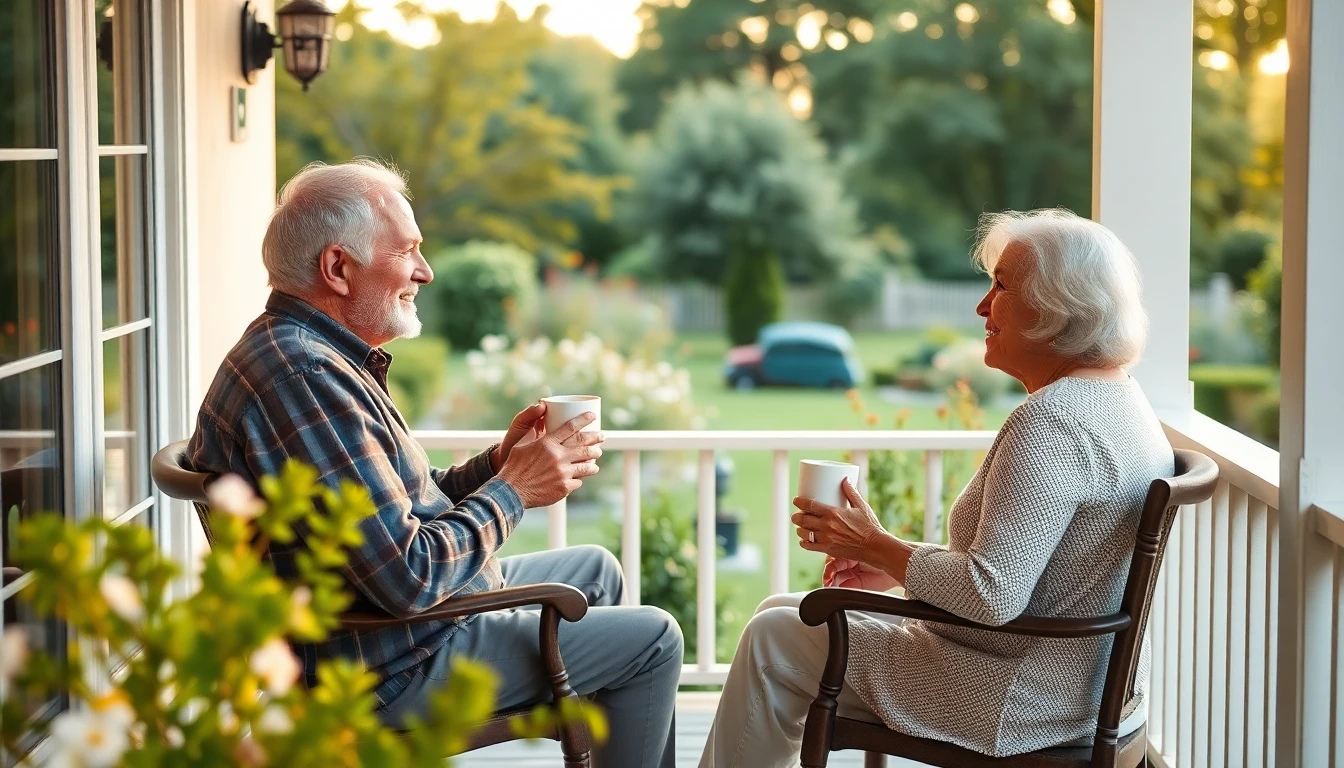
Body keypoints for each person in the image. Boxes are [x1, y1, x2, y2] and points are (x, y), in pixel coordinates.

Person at [186, 159, 682, 768]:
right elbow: (409, 575)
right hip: (383, 666)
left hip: (388, 628)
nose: (425, 271)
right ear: (338, 268)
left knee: (596, 569)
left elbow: (394, 514)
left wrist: (498, 463)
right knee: (655, 639)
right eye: (408, 251)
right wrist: (515, 490)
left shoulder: (308, 354)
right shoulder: (305, 376)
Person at [699, 208, 1174, 765]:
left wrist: (876, 546)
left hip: (1015, 697)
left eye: (1000, 286)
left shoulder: (1054, 424)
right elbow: (1028, 572)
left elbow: (991, 593)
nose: (981, 307)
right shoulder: (1120, 401)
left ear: (1055, 308)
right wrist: (896, 567)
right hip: (1064, 682)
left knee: (773, 638)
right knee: (782, 609)